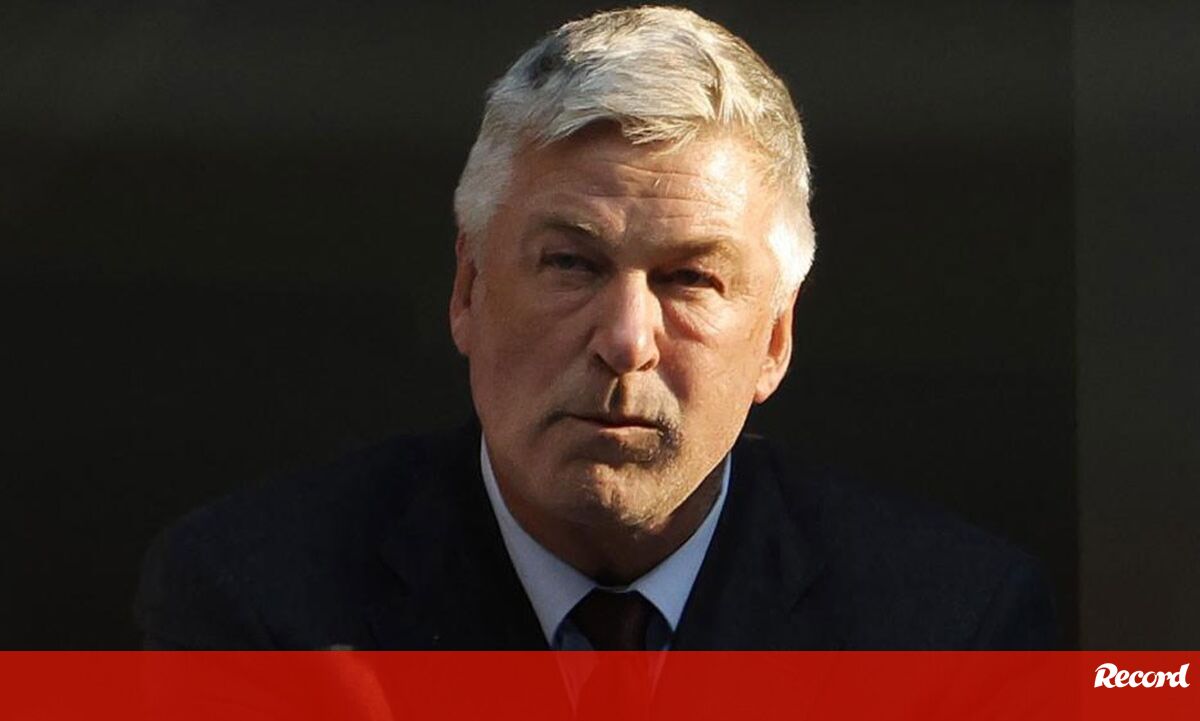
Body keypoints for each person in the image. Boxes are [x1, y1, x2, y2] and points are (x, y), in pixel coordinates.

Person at [136, 6, 1056, 651]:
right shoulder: (258, 603)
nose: (626, 339)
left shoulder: (951, 631)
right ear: (468, 289)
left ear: (775, 338)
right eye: (572, 264)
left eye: (690, 279)